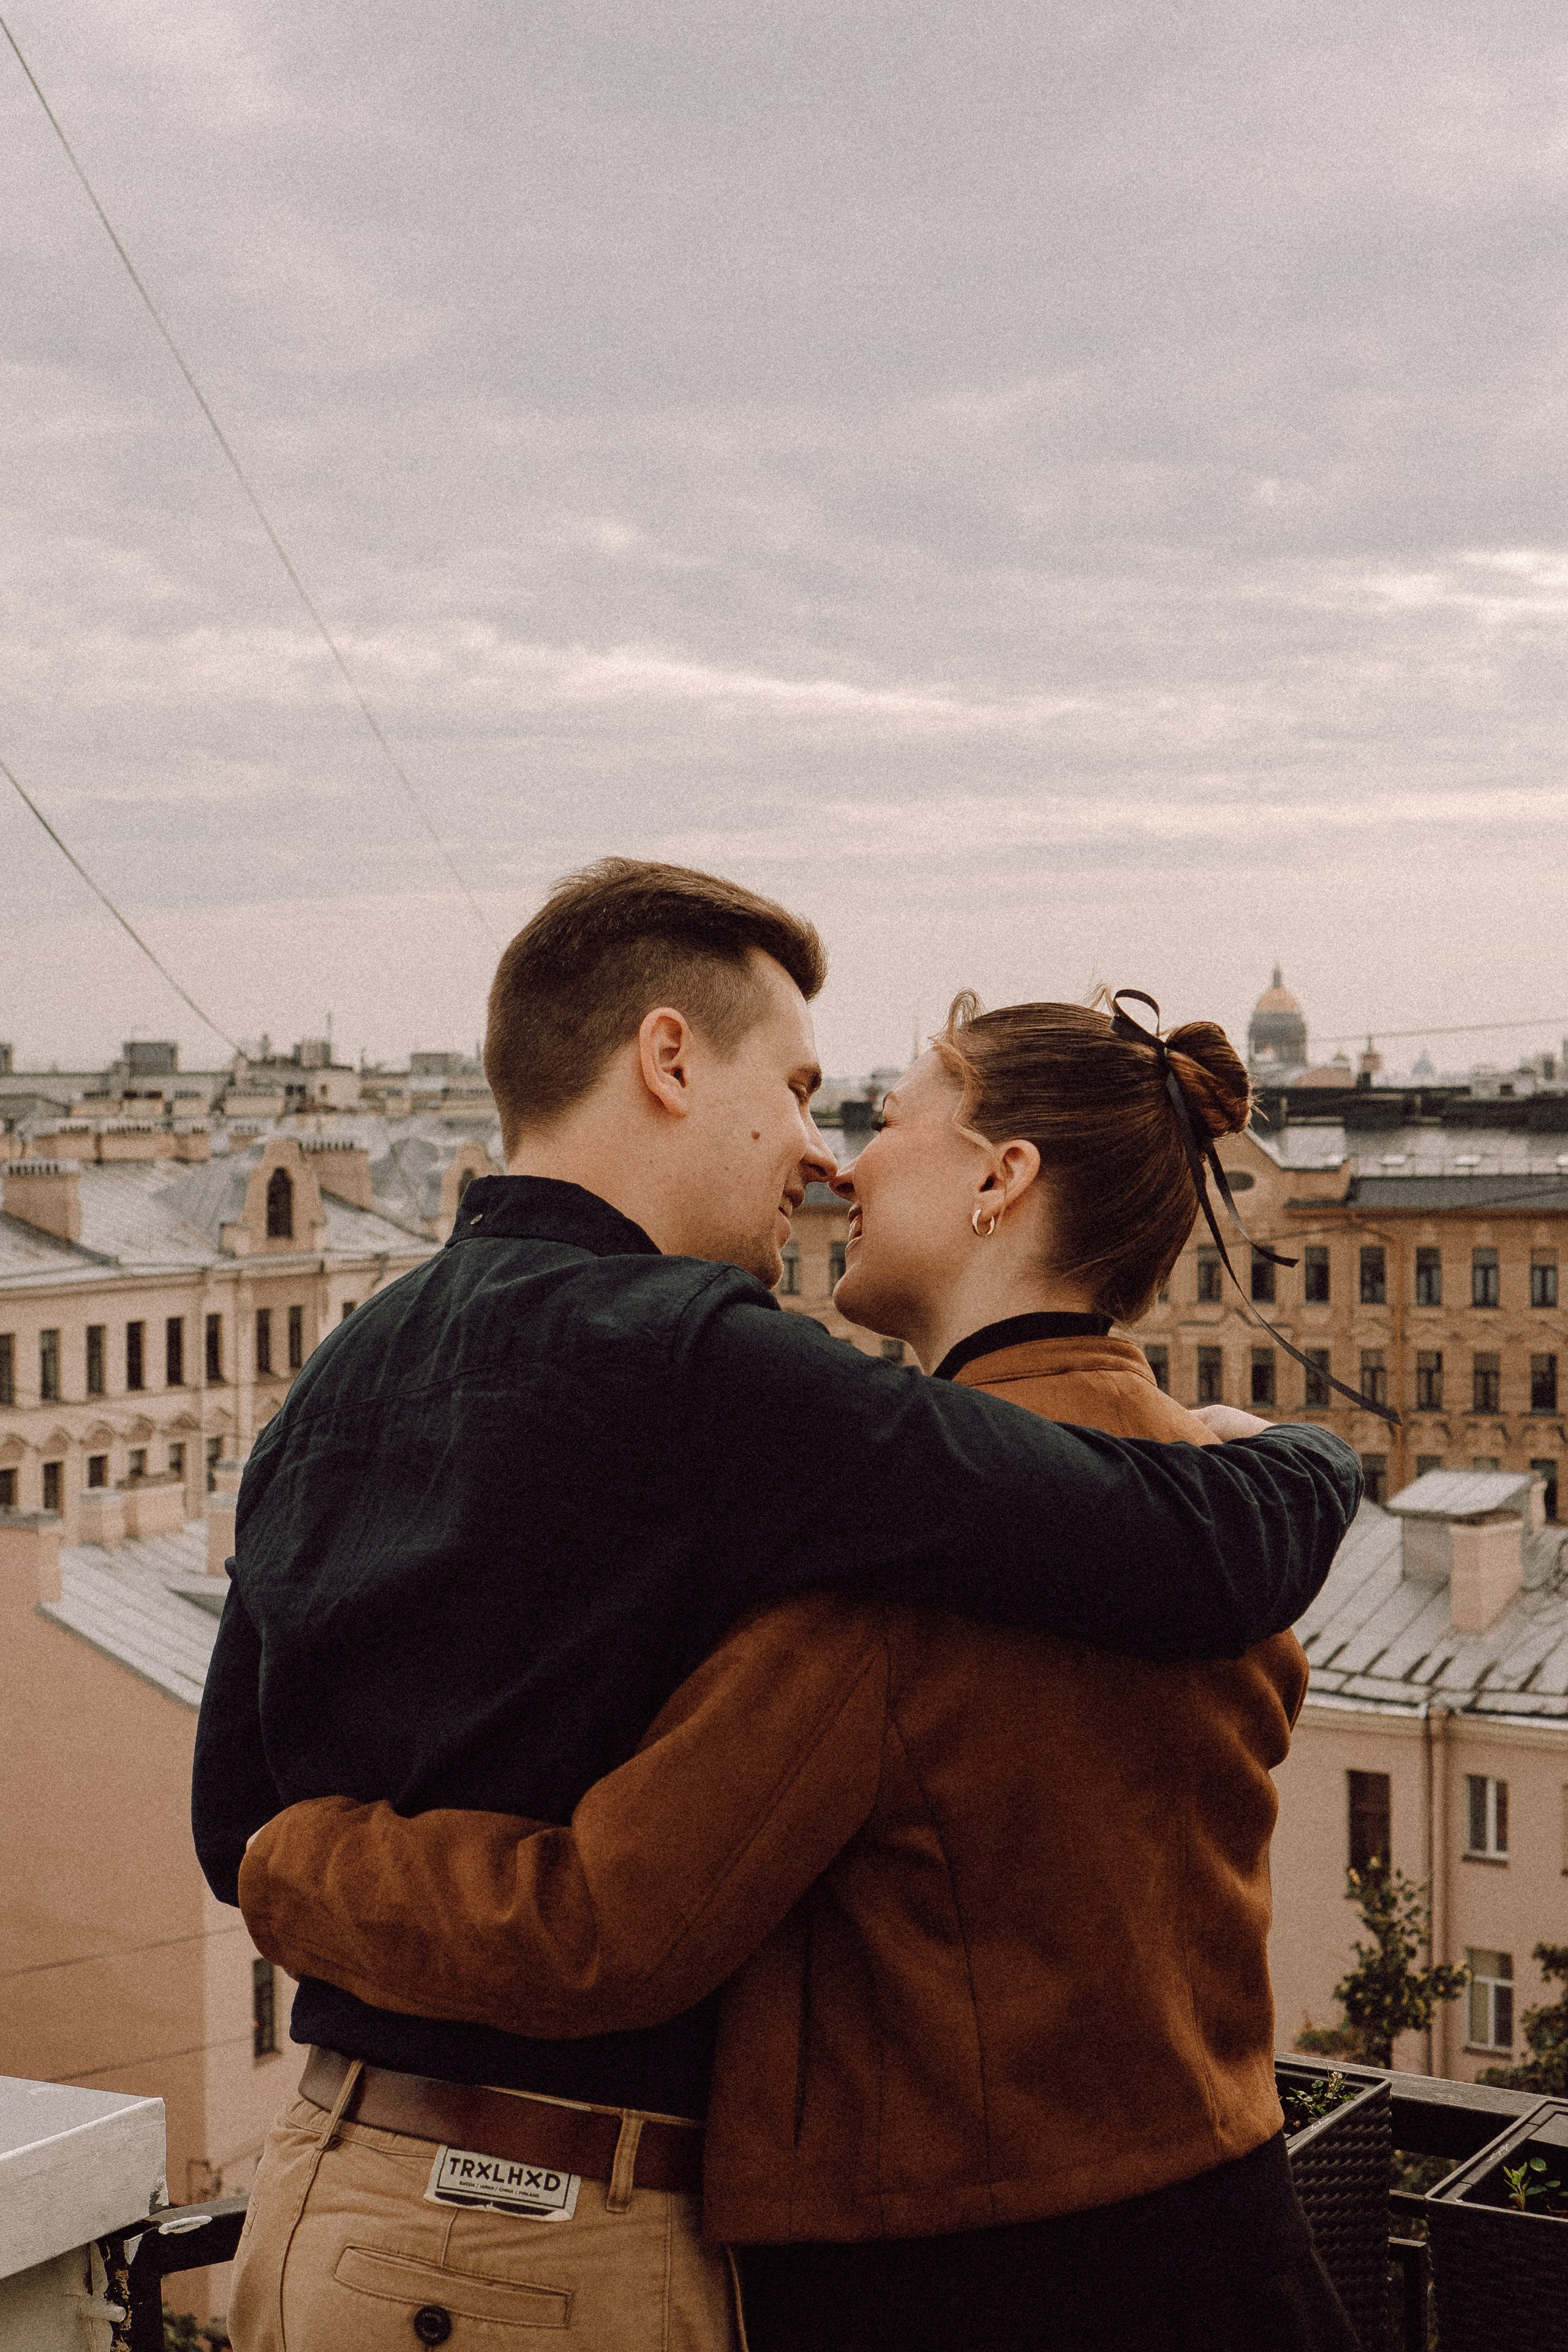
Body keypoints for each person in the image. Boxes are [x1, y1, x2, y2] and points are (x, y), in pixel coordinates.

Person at [197, 863, 1358, 2352]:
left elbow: (239, 1803)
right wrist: (1299, 1467)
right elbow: (1176, 1545)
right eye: (811, 1094)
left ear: (1003, 1179)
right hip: (555, 2231)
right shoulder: (715, 1372)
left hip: (319, 2195)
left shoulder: (339, 1373)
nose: (824, 1160)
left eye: (863, 1116)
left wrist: (289, 1862)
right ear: (668, 1059)